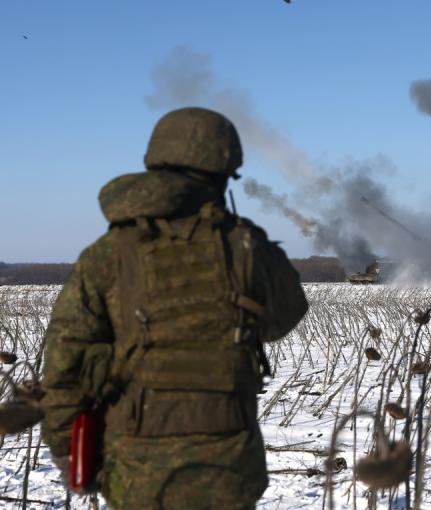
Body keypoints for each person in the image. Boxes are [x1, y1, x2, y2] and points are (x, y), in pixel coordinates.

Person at [41, 107, 309, 509]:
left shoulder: (108, 253)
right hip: (229, 467)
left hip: (135, 471)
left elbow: (64, 365)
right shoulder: (247, 246)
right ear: (221, 172)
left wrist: (67, 449)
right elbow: (286, 316)